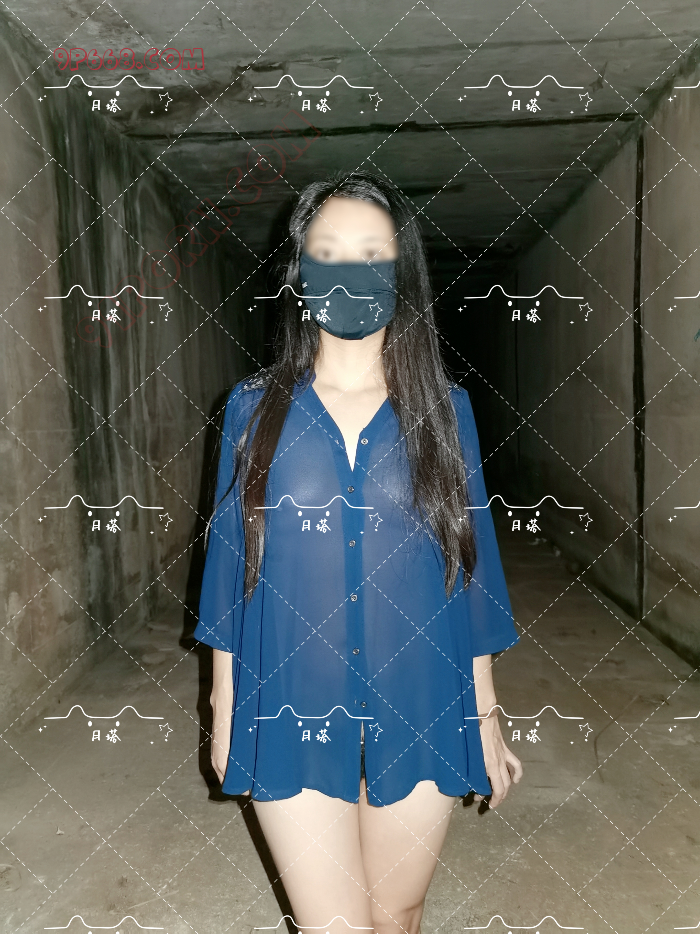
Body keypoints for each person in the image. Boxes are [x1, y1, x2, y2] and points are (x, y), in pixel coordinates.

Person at [194, 171, 522, 934]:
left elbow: (470, 568)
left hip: (423, 699)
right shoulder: (252, 411)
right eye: (329, 252)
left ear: (402, 273)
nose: (350, 273)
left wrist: (485, 713)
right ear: (298, 272)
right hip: (291, 702)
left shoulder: (447, 412)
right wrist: (224, 702)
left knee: (396, 914)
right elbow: (230, 568)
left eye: (372, 254)